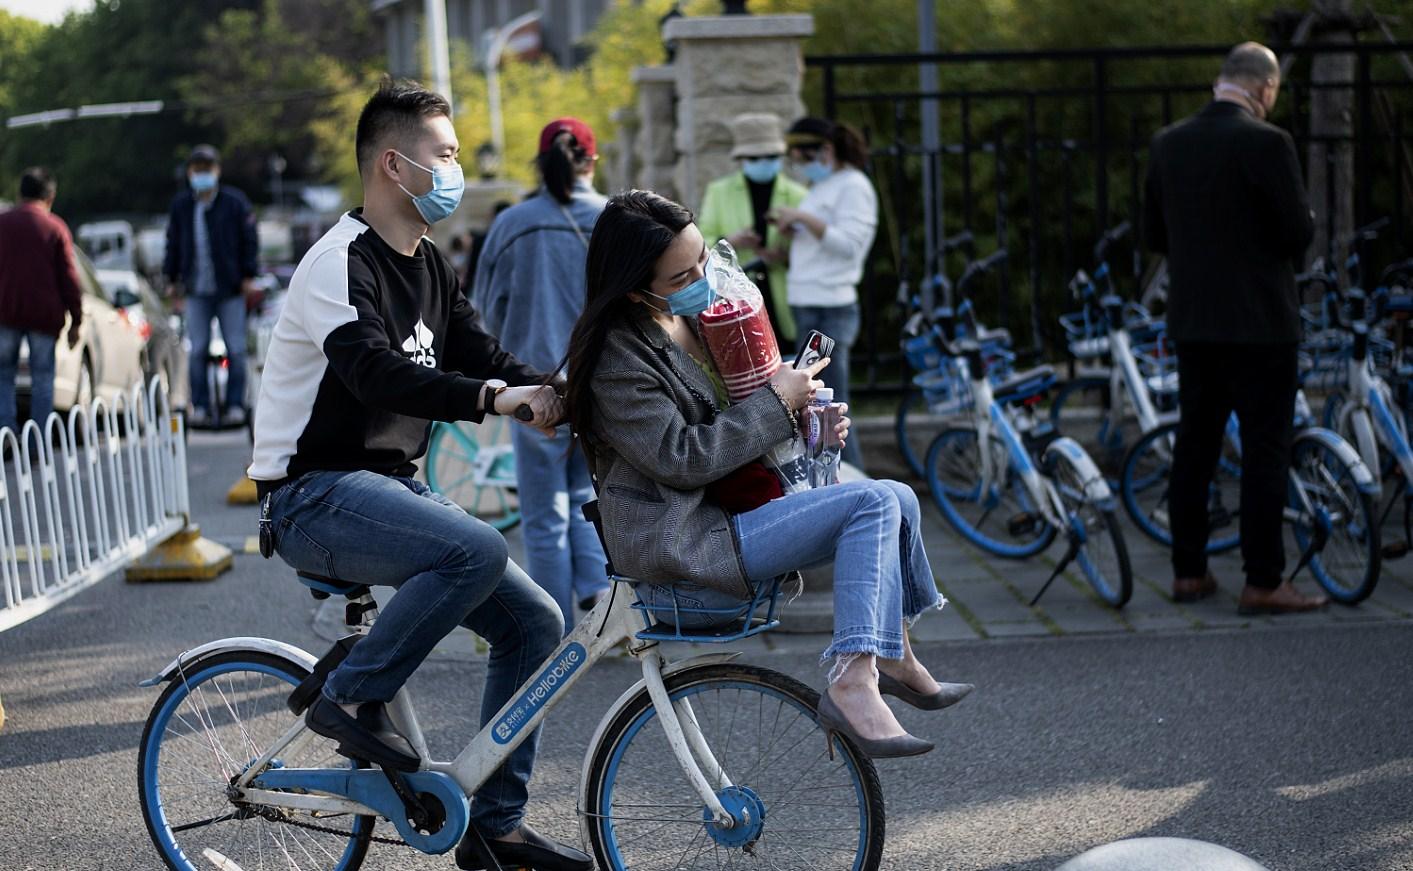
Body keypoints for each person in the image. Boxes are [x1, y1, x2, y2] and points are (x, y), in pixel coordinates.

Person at [248, 79, 591, 871]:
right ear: (394, 166)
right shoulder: (339, 261)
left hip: (389, 492)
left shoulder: (430, 263)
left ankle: (494, 827)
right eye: (444, 155)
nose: (456, 168)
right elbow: (372, 373)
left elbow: (486, 356)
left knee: (536, 623)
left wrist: (563, 395)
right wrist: (493, 398)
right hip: (312, 496)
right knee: (473, 547)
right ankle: (347, 695)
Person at [563, 190, 973, 760]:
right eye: (683, 274)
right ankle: (852, 679)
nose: (704, 277)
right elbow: (683, 457)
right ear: (636, 288)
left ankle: (894, 651)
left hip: (734, 508)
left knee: (898, 495)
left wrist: (806, 415)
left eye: (703, 259)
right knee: (873, 504)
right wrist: (778, 403)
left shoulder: (693, 319)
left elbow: (739, 417)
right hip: (687, 542)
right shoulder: (618, 357)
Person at [1144, 42, 1327, 615]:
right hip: (1262, 327)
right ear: (1264, 89)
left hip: (1195, 324)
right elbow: (1298, 234)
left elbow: (1152, 235)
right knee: (1265, 452)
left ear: (1220, 81)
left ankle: (1188, 573)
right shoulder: (1269, 143)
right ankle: (1264, 579)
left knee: (1195, 448)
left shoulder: (1168, 144)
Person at [472, 117, 610, 628]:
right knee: (589, 493)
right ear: (591, 161)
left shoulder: (512, 224)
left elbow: (485, 307)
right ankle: (601, 598)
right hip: (600, 384)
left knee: (543, 512)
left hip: (534, 383)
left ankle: (554, 621)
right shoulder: (612, 221)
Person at [769, 117, 877, 469]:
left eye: (803, 157)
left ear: (826, 151)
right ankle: (834, 482)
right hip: (811, 306)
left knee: (833, 407)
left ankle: (857, 483)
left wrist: (802, 217)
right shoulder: (827, 187)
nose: (800, 166)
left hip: (830, 308)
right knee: (818, 406)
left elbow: (848, 246)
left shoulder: (854, 186)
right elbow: (820, 250)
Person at [163, 143, 259, 429]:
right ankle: (201, 406)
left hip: (230, 289)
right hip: (196, 290)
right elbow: (173, 244)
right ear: (190, 173)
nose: (202, 175)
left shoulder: (234, 202)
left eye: (207, 170)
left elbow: (249, 240)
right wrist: (171, 279)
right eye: (197, 170)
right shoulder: (182, 206)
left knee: (237, 349)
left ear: (216, 171)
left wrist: (247, 275)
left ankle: (234, 405)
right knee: (198, 348)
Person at [697, 112, 808, 346]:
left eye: (770, 156)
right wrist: (731, 241)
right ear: (742, 158)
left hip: (785, 298)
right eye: (755, 157)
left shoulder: (798, 195)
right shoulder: (719, 192)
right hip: (738, 298)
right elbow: (701, 243)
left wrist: (786, 255)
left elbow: (810, 246)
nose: (763, 162)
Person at [0, 167, 83, 437]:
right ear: (50, 196)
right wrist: (76, 319)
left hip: (5, 312)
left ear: (20, 193)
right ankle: (38, 443)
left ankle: (6, 436)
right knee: (43, 379)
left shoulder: (3, 223)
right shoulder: (55, 228)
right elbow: (69, 278)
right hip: (44, 317)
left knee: (3, 377)